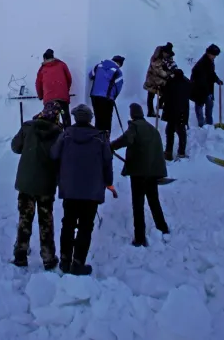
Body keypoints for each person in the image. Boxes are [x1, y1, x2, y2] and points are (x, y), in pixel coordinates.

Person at [50, 104, 115, 276]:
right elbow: (107, 162)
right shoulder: (100, 137)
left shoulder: (66, 135)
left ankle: (65, 260)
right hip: (92, 191)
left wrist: (60, 176)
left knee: (68, 223)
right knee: (86, 226)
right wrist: (108, 181)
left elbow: (54, 155)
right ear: (90, 119)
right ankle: (78, 262)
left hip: (70, 189)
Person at [10, 104, 62, 269]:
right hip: (46, 184)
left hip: (26, 182)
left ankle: (20, 254)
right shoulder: (59, 134)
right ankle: (48, 257)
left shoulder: (28, 127)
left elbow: (15, 147)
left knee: (25, 218)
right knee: (46, 220)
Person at [110, 102, 169, 247]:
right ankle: (163, 228)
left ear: (132, 114)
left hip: (138, 173)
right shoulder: (152, 129)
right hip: (153, 172)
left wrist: (110, 146)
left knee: (138, 205)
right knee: (154, 201)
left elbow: (126, 140)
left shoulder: (134, 127)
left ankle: (139, 237)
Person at [88, 55, 125, 135]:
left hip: (94, 96)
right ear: (119, 64)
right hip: (107, 98)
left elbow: (91, 75)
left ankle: (97, 138)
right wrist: (113, 97)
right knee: (106, 121)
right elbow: (118, 87)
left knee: (98, 118)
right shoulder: (118, 71)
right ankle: (105, 140)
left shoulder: (98, 66)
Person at [189, 44, 223, 128]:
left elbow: (211, 73)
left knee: (209, 105)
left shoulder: (209, 62)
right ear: (209, 53)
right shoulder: (202, 63)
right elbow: (201, 79)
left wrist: (217, 80)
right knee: (199, 105)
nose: (214, 57)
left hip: (207, 89)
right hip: (199, 89)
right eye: (214, 55)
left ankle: (209, 124)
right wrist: (207, 91)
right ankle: (202, 125)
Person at [161, 68, 192, 160]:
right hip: (182, 113)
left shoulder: (171, 82)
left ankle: (168, 152)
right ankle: (181, 152)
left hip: (171, 113)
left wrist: (159, 102)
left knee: (170, 132)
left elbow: (165, 94)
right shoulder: (187, 83)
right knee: (181, 133)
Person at [36, 49, 73, 126]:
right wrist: (66, 90)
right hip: (62, 100)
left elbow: (38, 84)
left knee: (51, 119)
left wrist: (40, 96)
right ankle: (67, 135)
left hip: (50, 102)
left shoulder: (42, 69)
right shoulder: (62, 65)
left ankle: (54, 136)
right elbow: (69, 78)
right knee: (65, 117)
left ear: (45, 58)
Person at [143, 43, 175, 118]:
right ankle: (150, 112)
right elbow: (160, 71)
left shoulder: (168, 58)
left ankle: (160, 105)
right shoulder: (156, 59)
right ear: (163, 52)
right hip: (152, 78)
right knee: (151, 94)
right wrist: (168, 73)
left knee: (166, 92)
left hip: (161, 78)